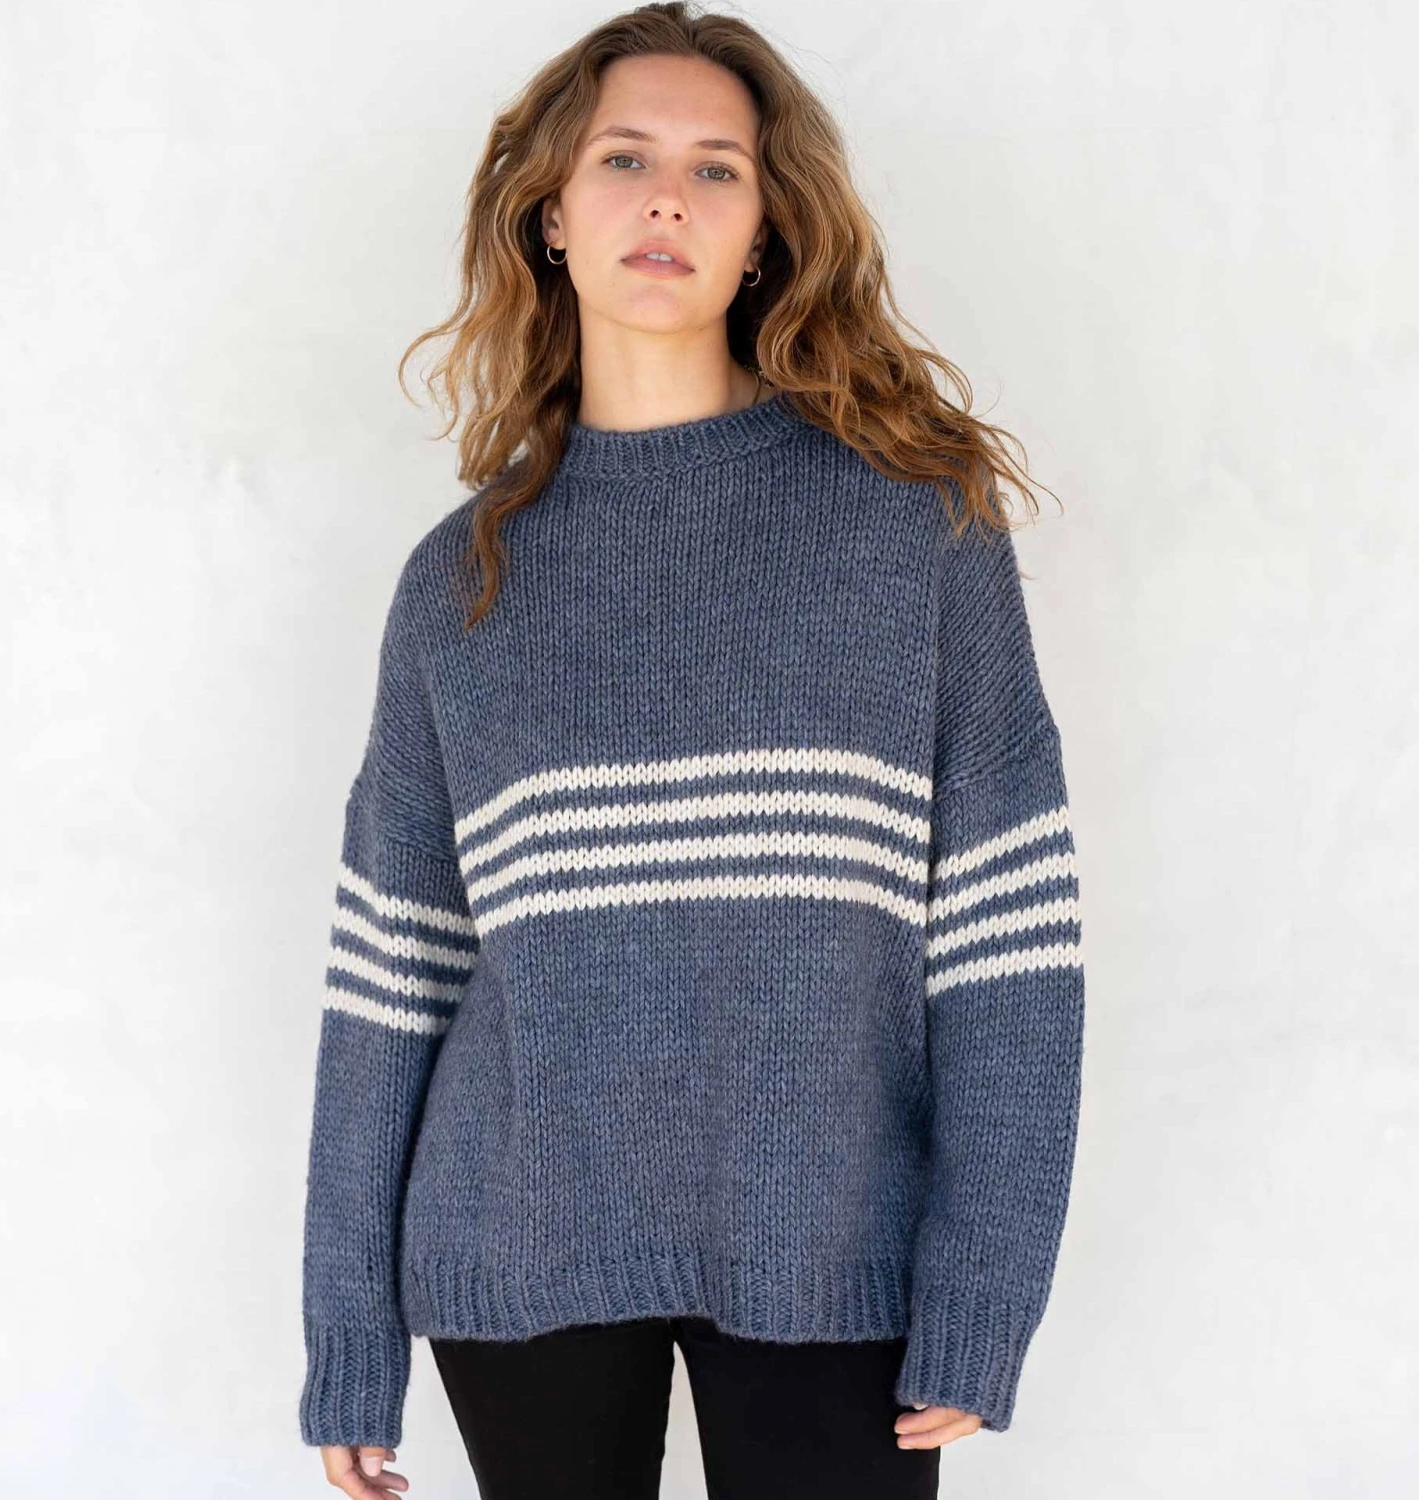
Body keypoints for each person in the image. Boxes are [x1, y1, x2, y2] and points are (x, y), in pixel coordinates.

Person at [297, 4, 1086, 1497]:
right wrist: (348, 1332)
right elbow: (391, 977)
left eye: (717, 168)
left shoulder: (914, 524)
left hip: (835, 1237)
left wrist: (986, 1286)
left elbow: (1006, 944)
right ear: (550, 211)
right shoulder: (461, 581)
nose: (668, 198)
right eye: (626, 157)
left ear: (767, 228)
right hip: (519, 1243)